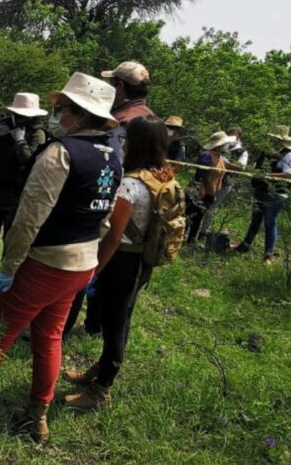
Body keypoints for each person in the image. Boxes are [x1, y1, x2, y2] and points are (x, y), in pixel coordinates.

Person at [0, 73, 121, 442]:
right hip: (80, 264)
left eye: (63, 108)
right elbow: (106, 217)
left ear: (81, 114)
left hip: (45, 263)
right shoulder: (111, 158)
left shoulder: (60, 153)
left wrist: (8, 269)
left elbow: (28, 218)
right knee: (50, 336)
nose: (57, 114)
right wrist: (89, 261)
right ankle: (38, 413)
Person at [63, 115, 173, 411]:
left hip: (122, 261)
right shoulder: (163, 175)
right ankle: (100, 371)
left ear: (136, 143)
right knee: (121, 317)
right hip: (142, 261)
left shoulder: (130, 185)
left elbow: (113, 236)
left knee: (115, 323)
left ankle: (101, 390)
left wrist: (94, 270)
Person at [0, 93, 47, 285]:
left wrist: (19, 141)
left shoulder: (38, 133)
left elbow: (29, 161)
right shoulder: (4, 126)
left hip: (16, 193)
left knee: (10, 237)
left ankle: (3, 274)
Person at [233, 125, 291, 265]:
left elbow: (288, 174)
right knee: (255, 220)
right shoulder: (266, 151)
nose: (271, 140)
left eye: (275, 138)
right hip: (261, 190)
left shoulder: (290, 154)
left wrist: (266, 175)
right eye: (271, 138)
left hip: (276, 194)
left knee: (270, 223)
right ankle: (245, 245)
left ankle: (268, 255)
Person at [185, 131, 236, 243]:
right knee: (191, 216)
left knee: (198, 217)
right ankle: (182, 238)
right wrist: (201, 188)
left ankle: (191, 241)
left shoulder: (221, 158)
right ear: (220, 144)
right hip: (200, 192)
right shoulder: (207, 156)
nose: (227, 146)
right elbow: (200, 173)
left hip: (210, 193)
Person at [198, 126, 249, 235]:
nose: (230, 136)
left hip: (225, 183)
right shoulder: (223, 145)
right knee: (200, 203)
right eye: (229, 133)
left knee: (211, 207)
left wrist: (224, 163)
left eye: (233, 134)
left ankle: (203, 231)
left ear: (239, 136)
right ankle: (194, 229)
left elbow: (240, 167)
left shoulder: (242, 152)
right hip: (210, 179)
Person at [101, 61, 156, 159]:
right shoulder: (151, 116)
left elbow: (116, 161)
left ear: (120, 86)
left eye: (112, 83)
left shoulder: (121, 120)